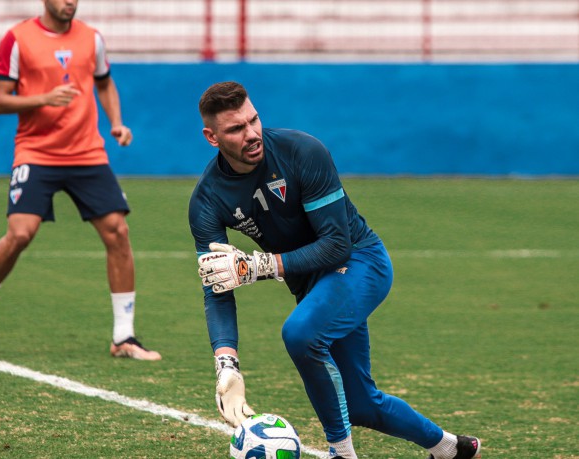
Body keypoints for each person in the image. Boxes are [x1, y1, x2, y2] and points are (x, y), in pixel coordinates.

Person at [189, 81, 480, 458]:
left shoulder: (302, 151)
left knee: (300, 333)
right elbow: (216, 285)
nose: (252, 134)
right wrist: (226, 364)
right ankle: (451, 449)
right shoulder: (206, 200)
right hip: (311, 284)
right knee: (361, 405)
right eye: (235, 129)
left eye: (253, 120)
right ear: (212, 137)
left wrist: (263, 265)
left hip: (360, 262)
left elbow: (336, 244)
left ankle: (341, 453)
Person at [0, 0, 161, 361]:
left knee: (117, 231)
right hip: (36, 153)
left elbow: (104, 84)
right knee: (20, 233)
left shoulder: (92, 38)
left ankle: (124, 336)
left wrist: (116, 123)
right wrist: (44, 98)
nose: (70, 1)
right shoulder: (18, 38)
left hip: (87, 153)